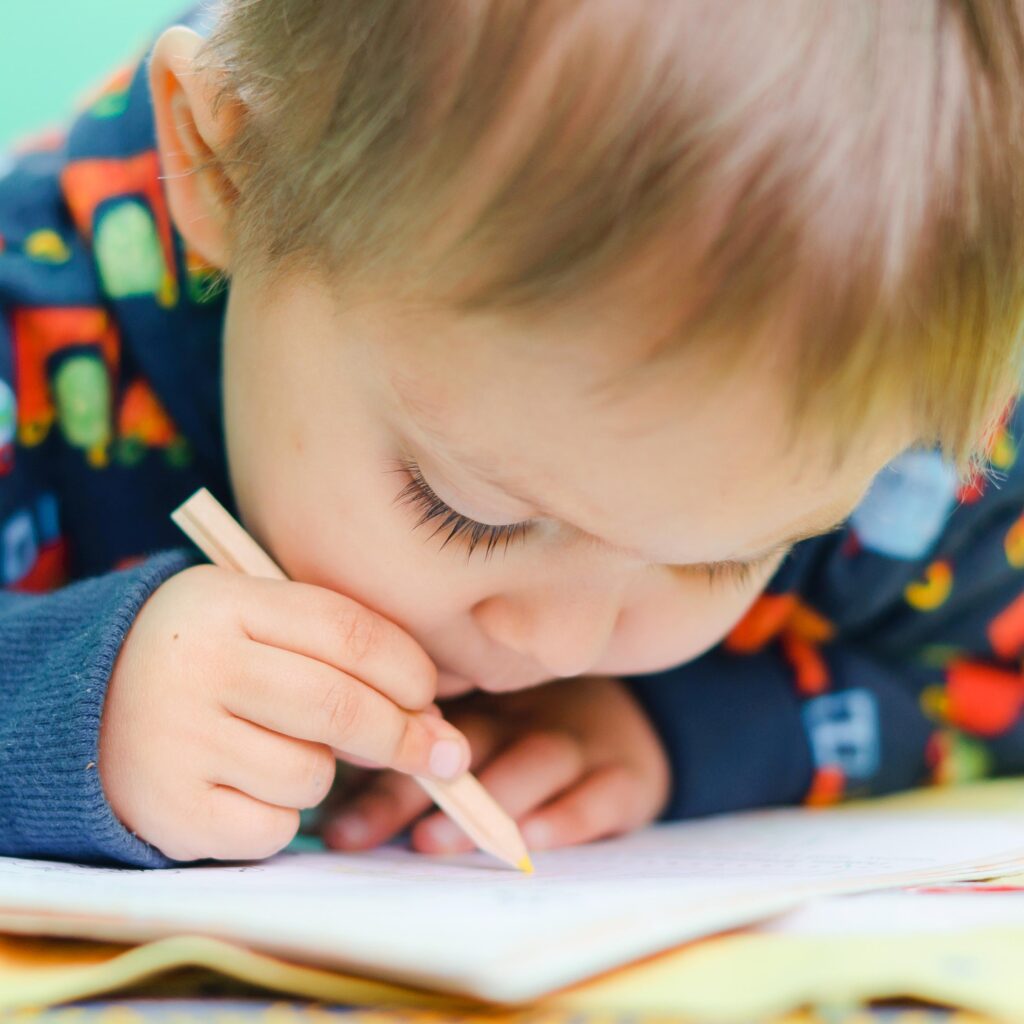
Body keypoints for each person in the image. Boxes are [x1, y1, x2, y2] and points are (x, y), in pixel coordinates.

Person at [1, 1, 1022, 868]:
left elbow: (994, 687)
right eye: (468, 511)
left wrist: (691, 730)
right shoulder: (31, 313)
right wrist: (68, 704)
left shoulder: (882, 387)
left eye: (724, 557)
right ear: (230, 174)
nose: (563, 642)